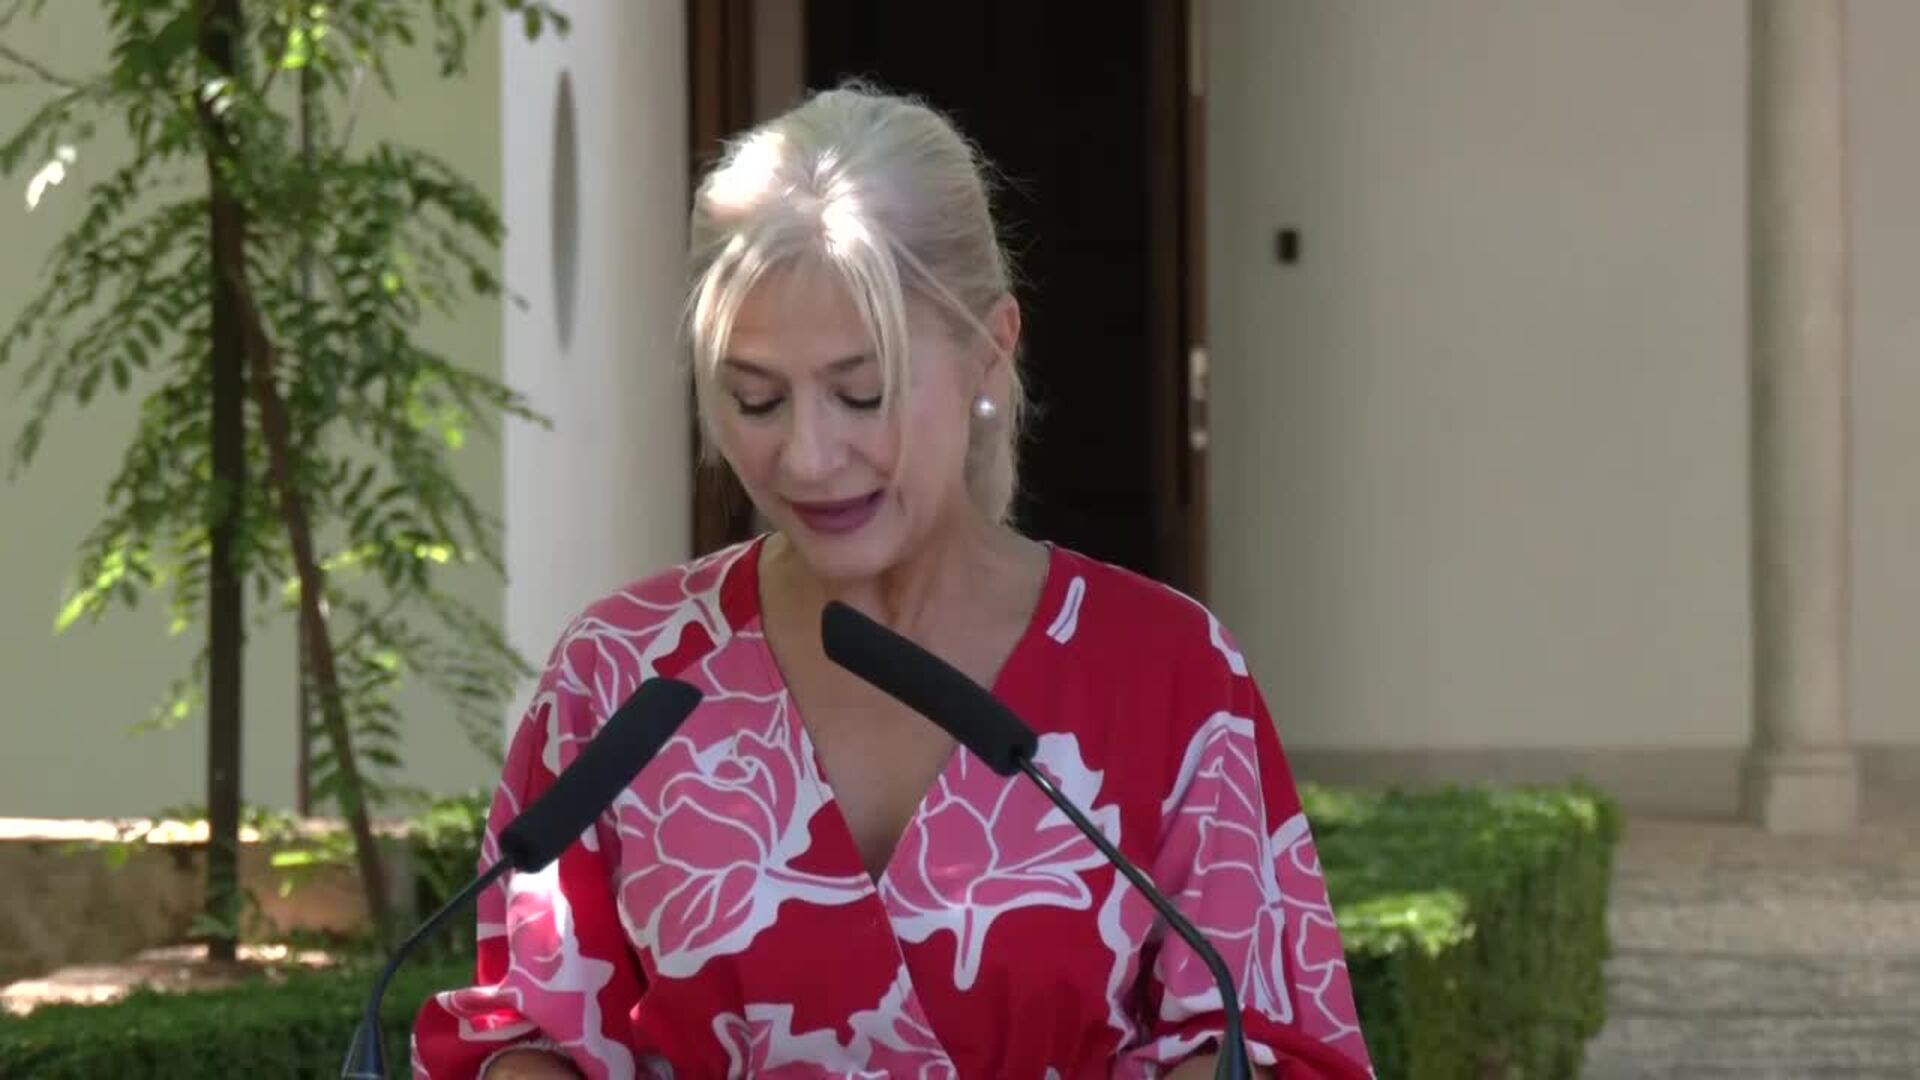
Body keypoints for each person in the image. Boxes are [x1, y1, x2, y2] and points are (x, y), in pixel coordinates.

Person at [411, 83, 1374, 1080]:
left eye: (861, 393)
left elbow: (1255, 1041)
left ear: (990, 353)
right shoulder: (624, 671)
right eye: (756, 399)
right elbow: (527, 1030)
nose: (807, 456)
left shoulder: (1167, 675)